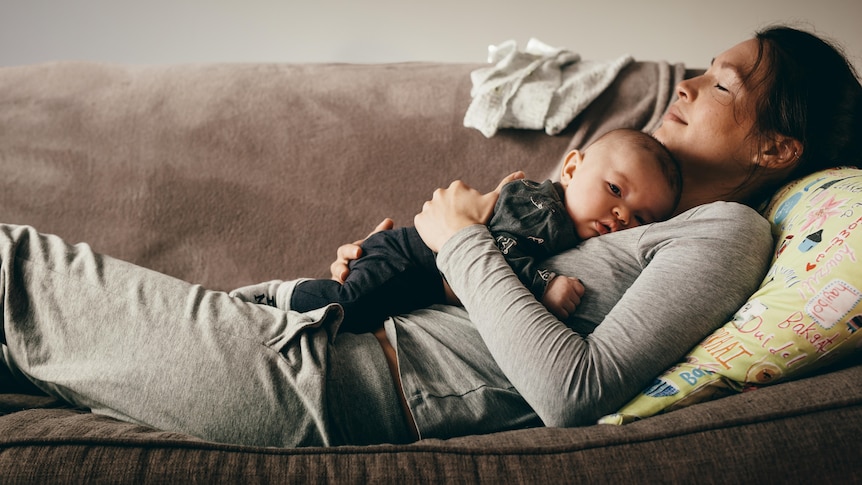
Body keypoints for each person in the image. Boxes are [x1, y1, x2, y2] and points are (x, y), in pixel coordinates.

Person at [1, 26, 860, 448]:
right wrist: (395, 264)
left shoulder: (728, 234)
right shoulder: (627, 207)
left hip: (324, 383)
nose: (689, 83)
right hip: (311, 333)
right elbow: (484, 294)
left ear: (774, 148)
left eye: (722, 83)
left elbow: (573, 390)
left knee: (12, 264)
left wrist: (456, 242)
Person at [230, 128, 681, 328]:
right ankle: (274, 297)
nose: (623, 217)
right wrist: (545, 283)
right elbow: (500, 247)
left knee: (359, 321)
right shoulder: (543, 209)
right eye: (615, 190)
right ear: (571, 166)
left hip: (425, 276)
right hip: (411, 258)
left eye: (642, 218)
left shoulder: (564, 225)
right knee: (351, 305)